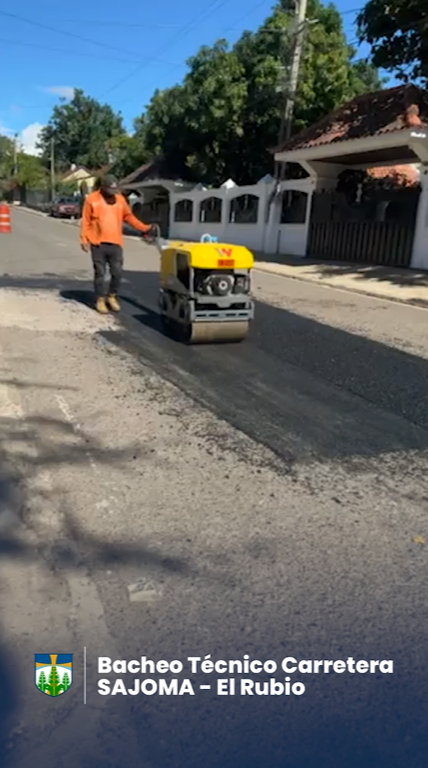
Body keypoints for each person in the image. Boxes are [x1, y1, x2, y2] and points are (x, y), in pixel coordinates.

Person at [80, 174, 154, 314]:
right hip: (98, 243)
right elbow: (86, 221)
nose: (113, 193)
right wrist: (84, 239)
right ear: (103, 187)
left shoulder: (120, 200)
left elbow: (129, 217)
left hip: (115, 243)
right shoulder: (92, 199)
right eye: (110, 190)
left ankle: (112, 296)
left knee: (117, 273)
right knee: (100, 273)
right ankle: (100, 299)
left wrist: (144, 228)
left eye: (115, 190)